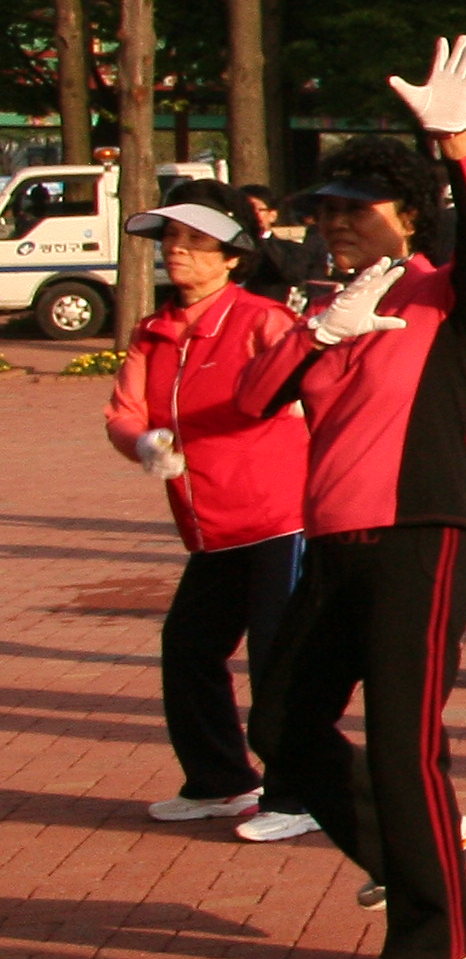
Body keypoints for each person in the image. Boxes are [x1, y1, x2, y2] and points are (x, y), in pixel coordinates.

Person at [233, 47, 466, 959]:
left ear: (406, 217)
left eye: (356, 208)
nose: (337, 224)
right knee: (281, 724)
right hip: (335, 548)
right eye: (327, 210)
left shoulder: (441, 296)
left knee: (402, 740)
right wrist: (318, 330)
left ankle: (441, 934)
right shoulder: (329, 307)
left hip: (418, 540)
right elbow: (253, 399)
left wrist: (456, 144)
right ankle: (411, 860)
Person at [105, 198, 309, 825]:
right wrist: (141, 442)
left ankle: (297, 795)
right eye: (169, 238)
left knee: (280, 659)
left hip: (279, 517)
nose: (176, 250)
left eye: (194, 240)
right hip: (209, 527)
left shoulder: (261, 319)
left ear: (231, 258)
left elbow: (306, 388)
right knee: (189, 648)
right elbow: (125, 411)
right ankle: (220, 779)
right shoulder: (153, 330)